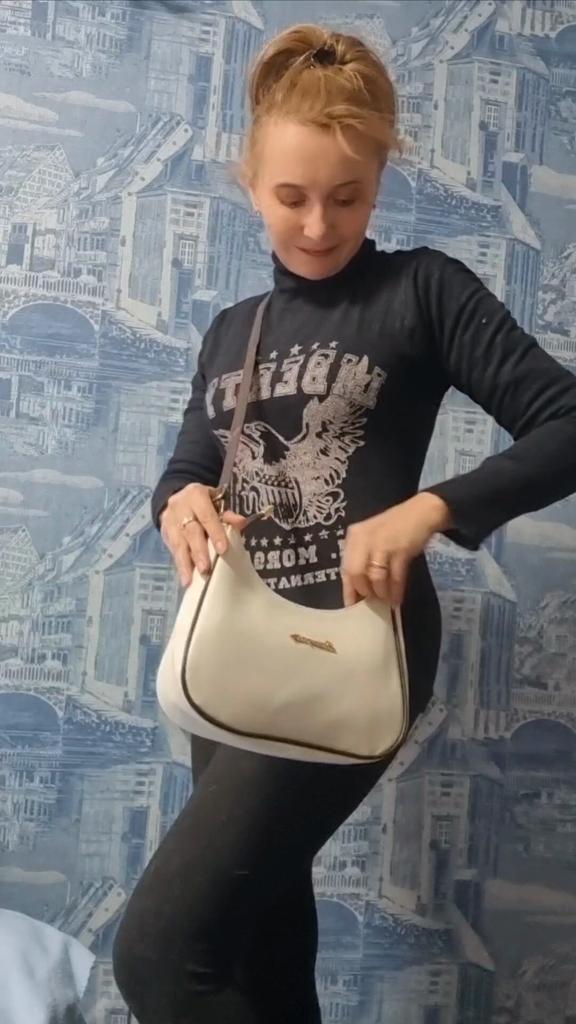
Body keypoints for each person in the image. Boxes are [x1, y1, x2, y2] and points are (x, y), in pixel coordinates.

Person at [112, 24, 576, 1024]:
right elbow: (192, 469)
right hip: (232, 646)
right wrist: (178, 501)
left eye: (348, 196)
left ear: (378, 184)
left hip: (352, 647)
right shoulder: (232, 330)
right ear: (249, 184)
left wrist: (431, 508)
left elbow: (566, 422)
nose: (320, 225)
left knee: (161, 953)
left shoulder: (423, 291)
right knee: (259, 948)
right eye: (291, 197)